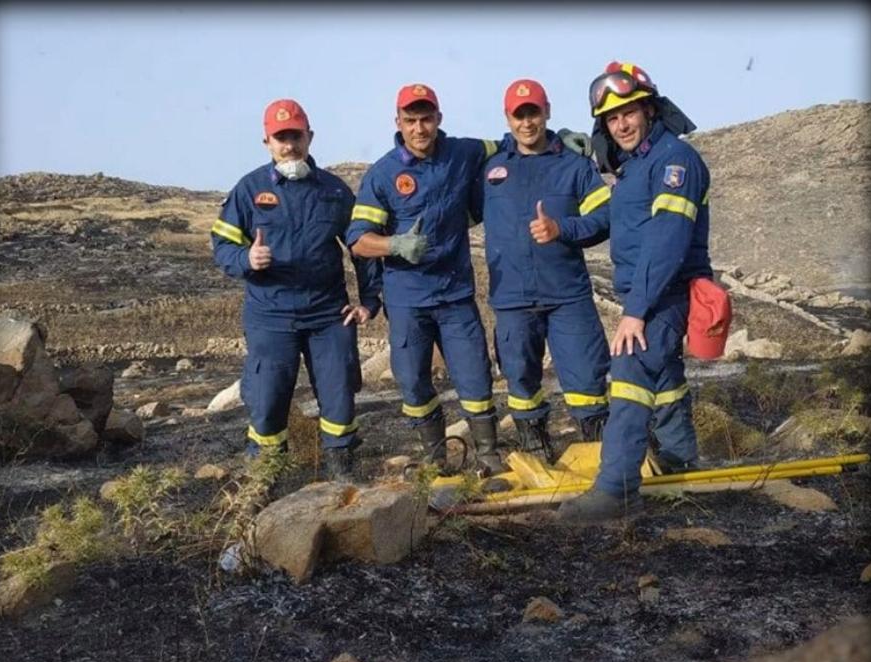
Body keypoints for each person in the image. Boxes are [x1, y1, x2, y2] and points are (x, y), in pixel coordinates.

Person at [557, 61, 713, 522]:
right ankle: (679, 459)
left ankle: (618, 488)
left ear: (648, 110)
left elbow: (667, 240)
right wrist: (559, 229)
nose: (621, 124)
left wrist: (636, 312)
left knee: (629, 370)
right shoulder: (634, 168)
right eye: (611, 118)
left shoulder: (674, 162)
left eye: (628, 113)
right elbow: (608, 221)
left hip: (667, 293)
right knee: (662, 378)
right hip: (649, 294)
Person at [211, 98, 382, 480]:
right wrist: (245, 260)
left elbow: (362, 249)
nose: (289, 145)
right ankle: (263, 491)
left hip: (328, 316)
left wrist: (369, 301)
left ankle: (342, 483)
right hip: (270, 318)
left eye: (296, 136)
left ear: (310, 137)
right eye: (280, 137)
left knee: (339, 403)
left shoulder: (335, 192)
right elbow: (222, 245)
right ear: (267, 142)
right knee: (268, 405)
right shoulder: (248, 190)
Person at [347, 83, 503, 475]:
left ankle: (488, 457)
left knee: (475, 377)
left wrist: (563, 141)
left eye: (426, 119)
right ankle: (435, 460)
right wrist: (395, 245)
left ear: (439, 119)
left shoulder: (463, 152)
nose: (420, 128)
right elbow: (357, 241)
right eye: (411, 120)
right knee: (413, 384)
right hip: (407, 300)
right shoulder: (382, 174)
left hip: (455, 296)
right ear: (397, 122)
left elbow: (511, 142)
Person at [473, 79, 612, 463]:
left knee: (587, 382)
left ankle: (599, 456)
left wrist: (562, 229)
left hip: (568, 296)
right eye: (519, 115)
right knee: (520, 382)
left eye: (533, 112)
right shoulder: (489, 168)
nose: (527, 122)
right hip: (513, 300)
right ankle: (536, 452)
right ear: (508, 118)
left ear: (547, 111)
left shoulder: (575, 164)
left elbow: (606, 216)